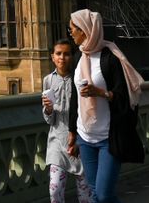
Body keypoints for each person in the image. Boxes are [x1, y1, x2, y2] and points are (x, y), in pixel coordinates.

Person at [68, 10, 145, 203]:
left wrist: (100, 93)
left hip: (108, 137)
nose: (70, 33)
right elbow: (74, 99)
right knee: (94, 193)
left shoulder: (110, 58)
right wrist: (72, 132)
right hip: (85, 136)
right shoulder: (78, 57)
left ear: (84, 30)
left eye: (72, 29)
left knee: (103, 195)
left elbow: (123, 97)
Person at [42, 39, 95, 203]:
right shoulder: (47, 81)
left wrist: (79, 139)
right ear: (52, 57)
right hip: (57, 141)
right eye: (58, 54)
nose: (62, 58)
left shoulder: (80, 80)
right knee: (55, 189)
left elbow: (88, 111)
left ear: (72, 57)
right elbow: (49, 119)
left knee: (85, 194)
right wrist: (48, 110)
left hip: (80, 141)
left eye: (66, 54)